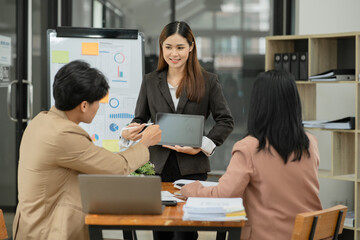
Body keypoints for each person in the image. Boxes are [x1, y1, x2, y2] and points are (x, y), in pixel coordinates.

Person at [12, 60, 162, 240]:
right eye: (97, 102)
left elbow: (91, 160)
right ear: (84, 106)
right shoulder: (63, 134)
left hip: (30, 226)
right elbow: (117, 167)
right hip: (48, 232)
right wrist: (145, 142)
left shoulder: (41, 120)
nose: (98, 107)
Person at [121, 21, 234, 240]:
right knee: (160, 232)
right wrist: (129, 131)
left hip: (192, 168)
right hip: (157, 168)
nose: (174, 54)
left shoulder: (208, 81)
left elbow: (226, 121)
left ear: (191, 47)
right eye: (168, 47)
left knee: (186, 233)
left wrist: (202, 145)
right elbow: (139, 118)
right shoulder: (150, 81)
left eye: (180, 47)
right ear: (161, 48)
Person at [180, 70, 322, 240]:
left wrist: (189, 189)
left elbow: (224, 195)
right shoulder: (310, 143)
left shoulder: (249, 147)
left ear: (258, 104)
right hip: (309, 235)